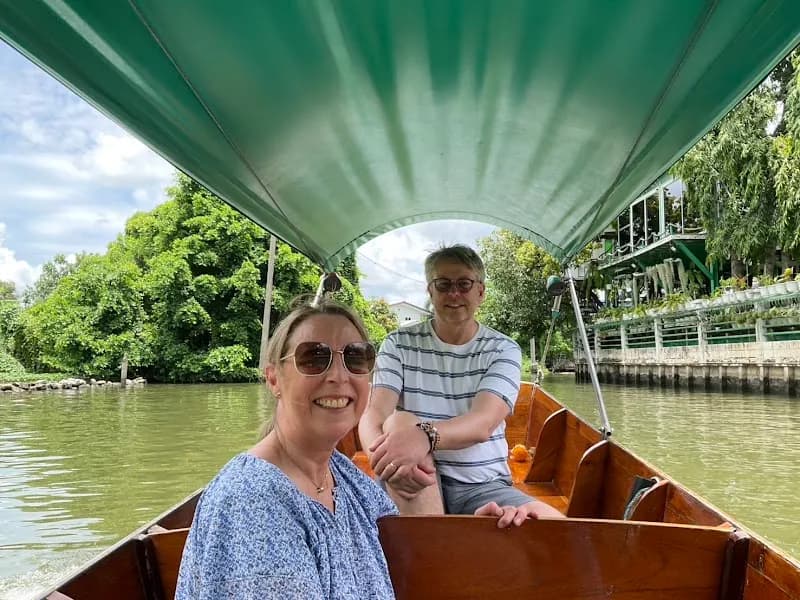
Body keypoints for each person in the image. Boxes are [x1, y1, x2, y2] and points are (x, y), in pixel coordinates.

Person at [176, 299, 397, 599]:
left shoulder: (343, 475)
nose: (339, 375)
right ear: (274, 378)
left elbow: (400, 541)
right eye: (314, 358)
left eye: (356, 357)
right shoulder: (252, 501)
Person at [359, 244, 563, 526]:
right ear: (430, 291)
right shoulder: (398, 344)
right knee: (398, 422)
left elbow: (482, 423)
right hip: (412, 477)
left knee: (559, 527)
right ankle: (436, 536)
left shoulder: (502, 349)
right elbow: (374, 414)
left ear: (480, 292)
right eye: (443, 284)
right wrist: (383, 461)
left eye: (464, 284)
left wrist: (424, 436)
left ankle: (440, 533)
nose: (454, 294)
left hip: (482, 486)